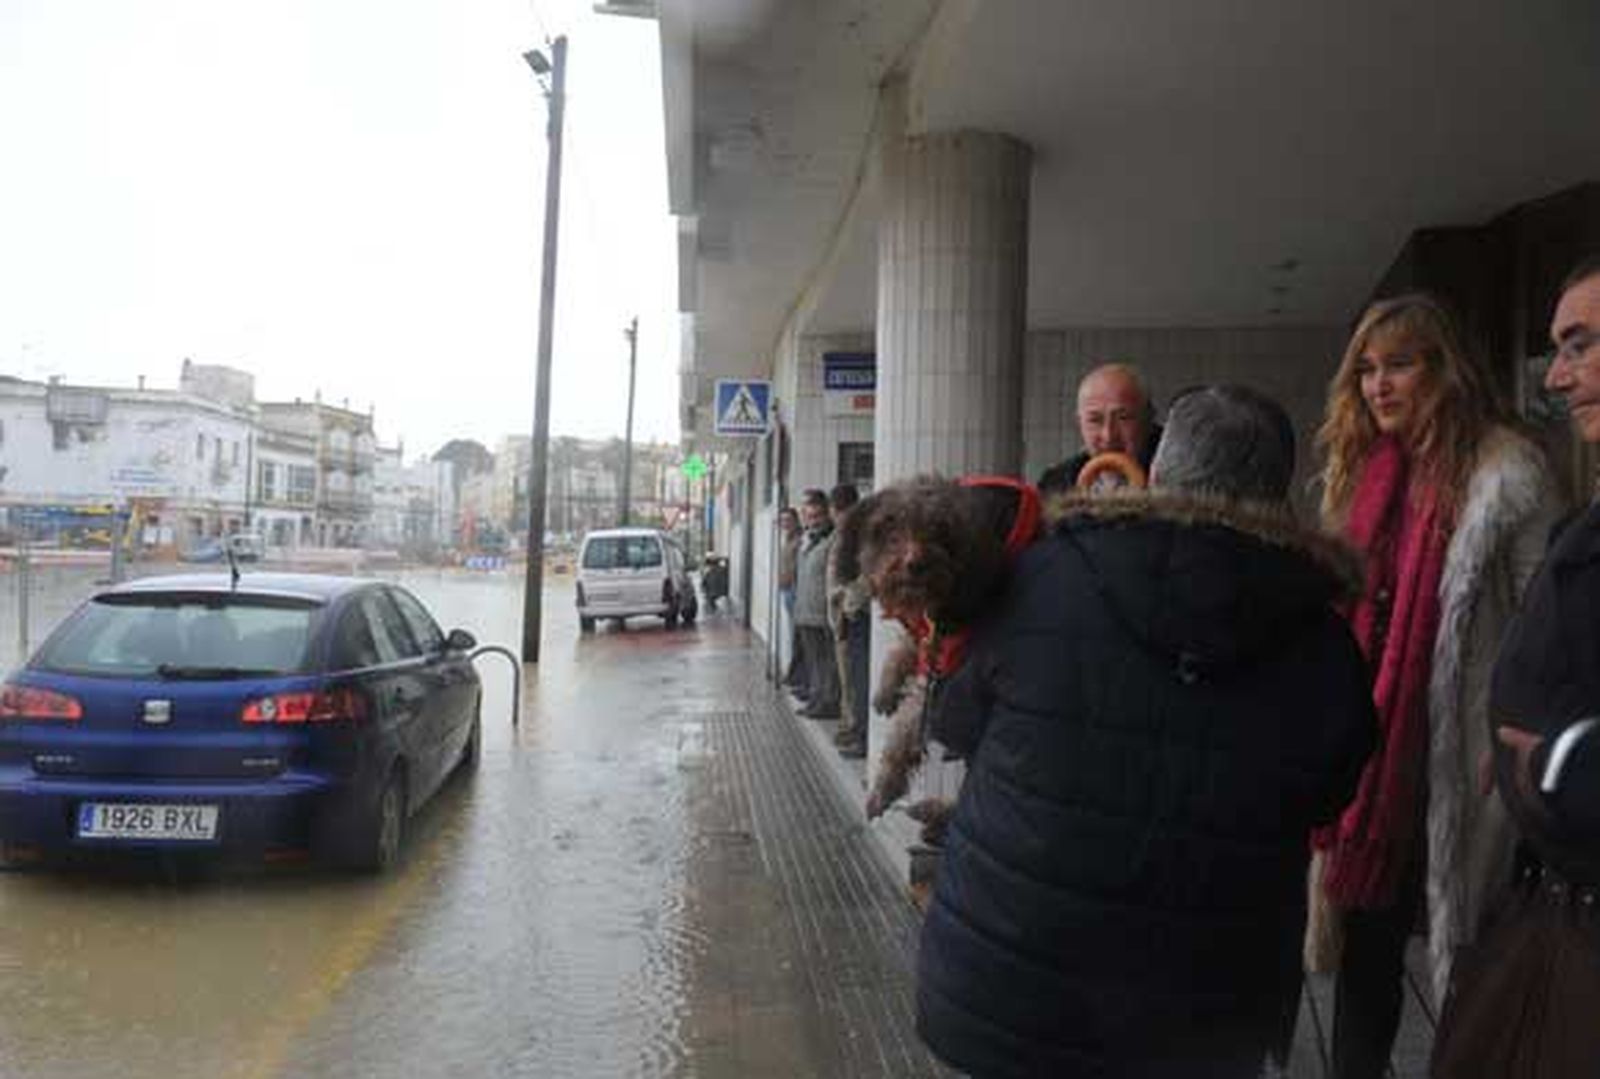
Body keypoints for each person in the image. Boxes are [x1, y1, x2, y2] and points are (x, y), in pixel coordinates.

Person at [914, 386, 1377, 1078]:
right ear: (1277, 496)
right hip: (1198, 1015)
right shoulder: (1322, 641)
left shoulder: (1043, 574)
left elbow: (955, 723)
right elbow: (1327, 793)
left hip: (1008, 983)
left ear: (1159, 470)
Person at [1309, 294, 1564, 1079]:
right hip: (1377, 765)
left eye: (1401, 364)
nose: (1380, 386)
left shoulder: (1506, 474)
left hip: (1466, 757)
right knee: (1370, 957)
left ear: (1444, 369)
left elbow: (1545, 624)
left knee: (1470, 960)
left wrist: (1514, 734)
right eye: (1367, 370)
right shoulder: (1361, 476)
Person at [1431, 256, 1600, 1077]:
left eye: (1581, 344)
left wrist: (1566, 765)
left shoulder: (1516, 478)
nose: (1561, 376)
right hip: (1545, 883)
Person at [1036, 362, 1162, 496]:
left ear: (1148, 419)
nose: (1108, 436)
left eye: (1123, 418)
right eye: (1095, 420)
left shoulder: (1177, 477)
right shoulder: (1055, 485)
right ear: (1079, 423)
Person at [825, 484, 869, 757]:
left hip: (856, 617)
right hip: (844, 616)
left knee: (859, 680)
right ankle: (854, 729)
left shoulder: (862, 535)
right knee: (851, 679)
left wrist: (848, 603)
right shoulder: (845, 535)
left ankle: (862, 736)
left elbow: (863, 579)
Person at [791, 489, 839, 719]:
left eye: (818, 516)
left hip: (822, 613)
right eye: (809, 517)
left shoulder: (833, 539)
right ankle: (816, 698)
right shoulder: (806, 540)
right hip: (804, 611)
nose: (813, 521)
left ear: (828, 514)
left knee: (826, 662)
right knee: (813, 662)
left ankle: (828, 702)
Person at [776, 507, 803, 690]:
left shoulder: (800, 540)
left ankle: (796, 674)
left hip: (795, 590)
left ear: (796, 520)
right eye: (782, 520)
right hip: (787, 590)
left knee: (797, 635)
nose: (785, 523)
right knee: (792, 633)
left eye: (788, 520)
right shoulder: (787, 539)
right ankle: (794, 673)